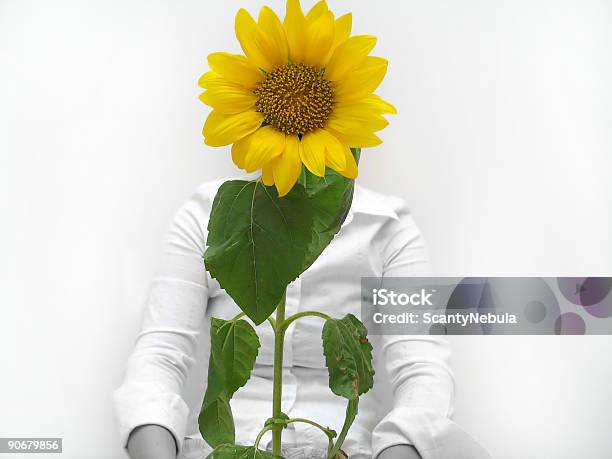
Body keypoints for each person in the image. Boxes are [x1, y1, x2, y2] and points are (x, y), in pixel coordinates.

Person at [114, 179, 486, 459]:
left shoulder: (387, 226)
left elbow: (424, 368)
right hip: (232, 447)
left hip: (343, 449)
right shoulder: (205, 214)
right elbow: (159, 355)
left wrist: (400, 447)